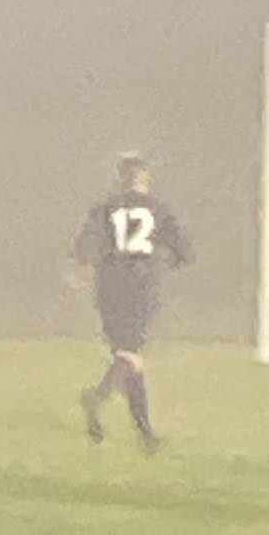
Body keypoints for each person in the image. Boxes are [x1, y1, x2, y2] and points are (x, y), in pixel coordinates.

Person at [74, 152, 191, 453]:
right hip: (141, 286)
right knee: (131, 357)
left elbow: (83, 246)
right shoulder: (157, 208)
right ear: (145, 177)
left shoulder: (105, 208)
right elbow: (183, 251)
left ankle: (140, 429)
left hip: (109, 285)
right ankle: (105, 404)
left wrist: (90, 265)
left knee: (126, 357)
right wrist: (167, 261)